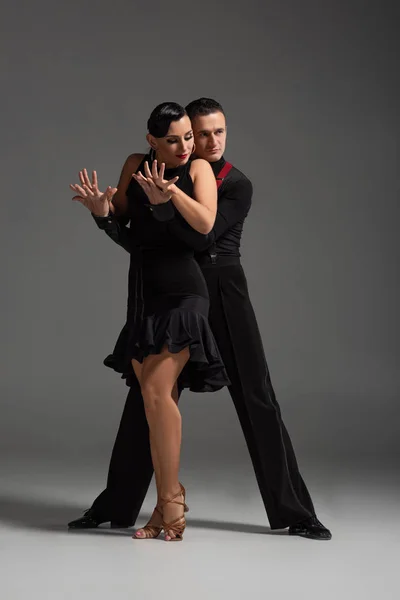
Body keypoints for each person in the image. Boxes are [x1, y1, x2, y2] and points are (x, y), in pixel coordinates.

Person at [68, 98, 332, 541]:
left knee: (256, 396)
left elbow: (198, 238)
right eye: (199, 133)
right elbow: (149, 240)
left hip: (220, 292)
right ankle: (115, 505)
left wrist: (160, 206)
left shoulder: (234, 184)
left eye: (217, 133)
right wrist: (114, 215)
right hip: (169, 291)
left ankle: (296, 511)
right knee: (147, 398)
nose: (208, 142)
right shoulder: (168, 168)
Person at [69, 101, 230, 541]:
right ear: (152, 141)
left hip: (184, 294)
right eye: (174, 139)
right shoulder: (135, 166)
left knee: (158, 394)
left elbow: (204, 228)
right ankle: (163, 507)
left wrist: (171, 196)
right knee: (153, 402)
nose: (185, 146)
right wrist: (102, 213)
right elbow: (131, 235)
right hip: (144, 298)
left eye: (188, 137)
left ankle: (173, 503)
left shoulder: (196, 170)